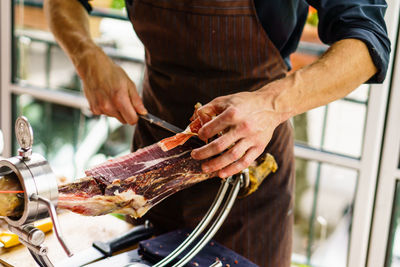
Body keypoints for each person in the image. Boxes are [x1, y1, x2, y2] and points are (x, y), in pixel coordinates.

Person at [44, 0, 390, 265]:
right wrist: (87, 57)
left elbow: (367, 40)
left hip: (250, 165)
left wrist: (271, 104)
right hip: (151, 161)